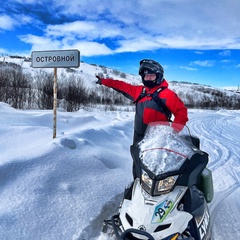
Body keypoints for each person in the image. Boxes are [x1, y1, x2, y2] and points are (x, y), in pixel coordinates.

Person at [96, 59, 188, 178]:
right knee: (138, 164)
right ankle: (137, 186)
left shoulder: (166, 94)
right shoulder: (139, 91)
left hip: (157, 138)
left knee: (155, 166)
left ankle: (158, 192)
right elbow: (121, 86)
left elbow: (181, 112)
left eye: (151, 76)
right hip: (139, 136)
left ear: (158, 76)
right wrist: (103, 81)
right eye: (146, 76)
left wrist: (173, 131)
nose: (148, 78)